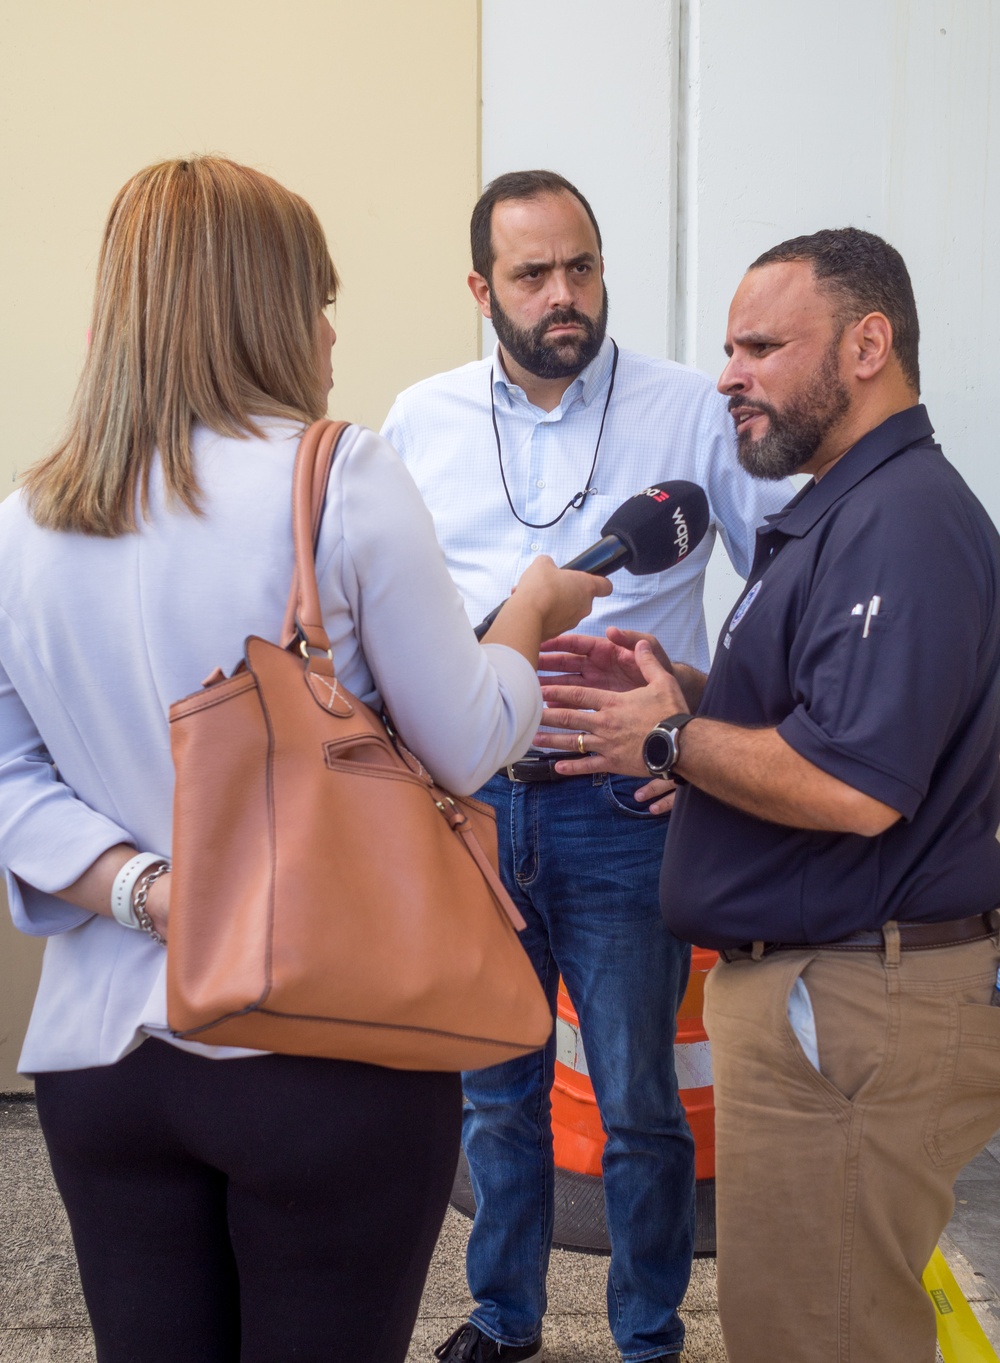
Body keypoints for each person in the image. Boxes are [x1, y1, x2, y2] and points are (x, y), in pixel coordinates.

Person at [0, 156, 609, 1363]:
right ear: (265, 306)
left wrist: (149, 890)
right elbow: (472, 736)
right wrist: (530, 617)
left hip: (102, 1061)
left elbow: (13, 784)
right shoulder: (340, 477)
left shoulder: (28, 521)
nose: (332, 334)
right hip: (327, 1043)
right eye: (320, 299)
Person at [539, 227, 1000, 1363]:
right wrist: (685, 688)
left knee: (821, 1334)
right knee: (810, 1317)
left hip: (852, 1005)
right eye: (727, 348)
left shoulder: (898, 523)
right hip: (832, 995)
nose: (727, 375)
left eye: (759, 347)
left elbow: (853, 786)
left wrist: (670, 739)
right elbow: (829, 716)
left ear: (864, 345)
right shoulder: (847, 510)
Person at [381, 169, 791, 1363]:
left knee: (639, 1107)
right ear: (480, 288)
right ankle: (505, 1322)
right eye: (532, 274)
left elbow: (778, 589)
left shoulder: (689, 409)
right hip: (474, 805)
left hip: (627, 807)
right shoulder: (419, 419)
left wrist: (706, 749)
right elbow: (386, 608)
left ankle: (647, 1335)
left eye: (582, 267)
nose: (564, 295)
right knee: (495, 1096)